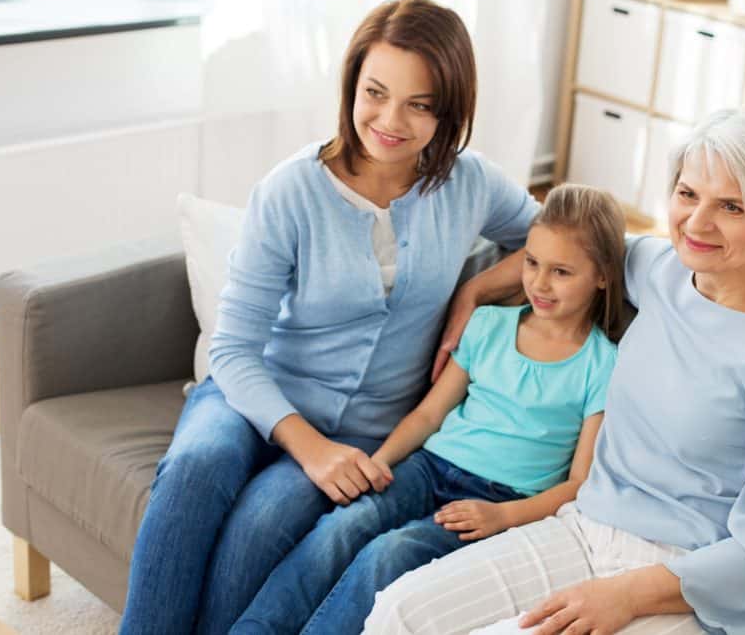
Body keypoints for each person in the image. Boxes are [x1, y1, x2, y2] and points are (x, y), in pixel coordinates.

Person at [119, 0, 542, 635]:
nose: (389, 120)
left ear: (448, 110)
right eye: (375, 92)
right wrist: (311, 448)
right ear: (350, 86)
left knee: (263, 521)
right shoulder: (291, 191)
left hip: (368, 431)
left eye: (419, 104)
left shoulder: (470, 183)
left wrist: (476, 289)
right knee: (197, 467)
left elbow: (555, 239)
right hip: (249, 394)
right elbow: (232, 351)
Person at [364, 104, 745, 635]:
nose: (698, 222)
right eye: (688, 194)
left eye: (731, 206)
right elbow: (568, 250)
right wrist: (475, 291)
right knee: (400, 611)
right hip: (584, 525)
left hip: (682, 576)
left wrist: (630, 593)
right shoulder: (661, 270)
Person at [229, 184, 626, 634]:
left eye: (561, 272)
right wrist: (381, 461)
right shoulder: (489, 324)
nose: (538, 282)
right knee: (341, 529)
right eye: (532, 263)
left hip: (498, 500)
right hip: (428, 467)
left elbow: (579, 484)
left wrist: (503, 517)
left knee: (390, 554)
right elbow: (428, 415)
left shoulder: (604, 365)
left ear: (602, 276)